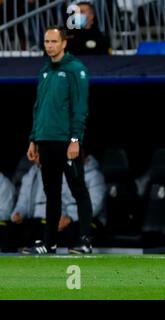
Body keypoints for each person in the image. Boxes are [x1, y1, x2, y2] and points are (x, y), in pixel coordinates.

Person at [26, 25, 94, 254]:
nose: (49, 46)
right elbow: (39, 107)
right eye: (46, 41)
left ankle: (85, 239)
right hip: (45, 139)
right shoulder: (44, 71)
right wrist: (33, 139)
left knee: (78, 190)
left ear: (64, 43)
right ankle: (49, 242)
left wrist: (75, 139)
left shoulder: (76, 69)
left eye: (53, 41)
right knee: (51, 193)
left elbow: (80, 107)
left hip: (66, 141)